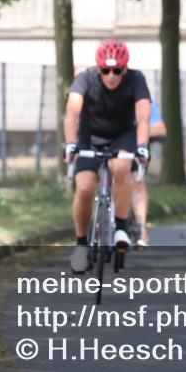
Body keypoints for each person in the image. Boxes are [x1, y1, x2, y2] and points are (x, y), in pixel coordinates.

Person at [64, 39, 151, 274]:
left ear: (125, 68)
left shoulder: (136, 79)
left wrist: (142, 147)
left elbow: (143, 117)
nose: (111, 76)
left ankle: (121, 226)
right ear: (98, 68)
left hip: (122, 135)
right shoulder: (85, 79)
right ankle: (81, 245)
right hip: (90, 137)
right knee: (84, 188)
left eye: (117, 70)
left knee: (122, 167)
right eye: (105, 70)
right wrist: (71, 145)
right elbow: (71, 114)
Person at [131, 96, 167, 247]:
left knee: (137, 181)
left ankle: (141, 227)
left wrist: (138, 132)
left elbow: (160, 128)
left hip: (134, 147)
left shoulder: (143, 102)